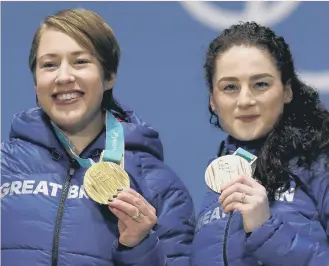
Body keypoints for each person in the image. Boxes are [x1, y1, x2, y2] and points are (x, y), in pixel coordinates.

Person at [1, 8, 195, 266]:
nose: (64, 76)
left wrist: (140, 247)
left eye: (80, 61)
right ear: (36, 83)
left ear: (109, 76)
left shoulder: (158, 185)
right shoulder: (4, 167)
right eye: (49, 65)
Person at [191, 21, 329, 266]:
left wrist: (265, 230)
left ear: (287, 91)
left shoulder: (320, 163)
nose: (245, 100)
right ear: (213, 99)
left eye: (261, 84)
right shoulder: (217, 179)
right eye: (230, 87)